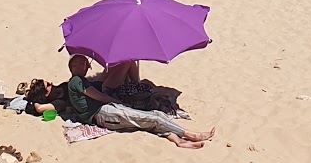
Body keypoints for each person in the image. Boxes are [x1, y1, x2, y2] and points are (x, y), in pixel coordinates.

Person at [60, 55, 213, 148]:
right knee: (154, 118)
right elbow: (100, 97)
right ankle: (190, 135)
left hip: (105, 111)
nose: (87, 66)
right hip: (103, 113)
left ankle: (179, 141)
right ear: (73, 66)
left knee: (151, 118)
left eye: (87, 63)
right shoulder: (76, 81)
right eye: (83, 63)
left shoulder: (81, 81)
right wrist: (119, 102)